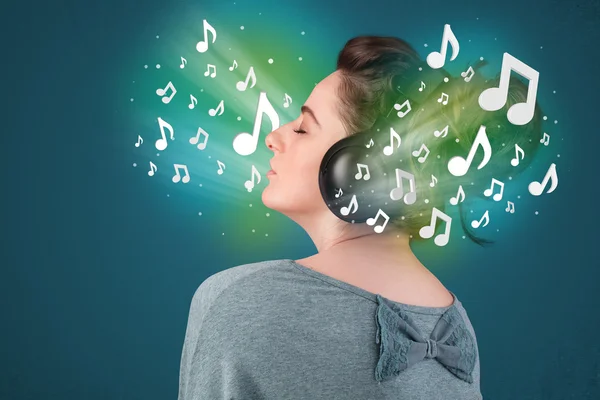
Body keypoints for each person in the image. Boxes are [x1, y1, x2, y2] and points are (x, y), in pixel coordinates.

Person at [178, 36, 543, 400]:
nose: (274, 137)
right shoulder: (454, 326)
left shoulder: (241, 300)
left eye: (303, 128)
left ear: (361, 166)